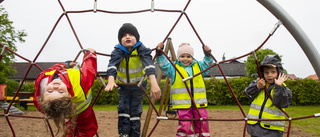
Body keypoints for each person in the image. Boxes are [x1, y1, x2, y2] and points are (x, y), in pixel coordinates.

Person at [104, 23, 161, 137]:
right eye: (124, 35)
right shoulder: (118, 50)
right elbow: (112, 65)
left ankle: (135, 134)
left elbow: (149, 65)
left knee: (135, 110)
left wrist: (154, 84)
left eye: (131, 35)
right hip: (123, 86)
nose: (127, 37)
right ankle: (124, 133)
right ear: (120, 40)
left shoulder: (142, 50)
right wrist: (111, 80)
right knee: (123, 109)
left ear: (137, 38)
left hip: (138, 86)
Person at [33, 48, 98, 137]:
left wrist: (65, 64)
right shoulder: (79, 85)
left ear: (44, 94)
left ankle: (69, 132)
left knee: (70, 124)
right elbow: (89, 70)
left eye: (50, 91)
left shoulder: (43, 81)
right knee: (87, 128)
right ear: (69, 96)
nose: (55, 87)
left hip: (65, 111)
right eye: (60, 91)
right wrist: (90, 55)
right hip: (83, 109)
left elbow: (53, 69)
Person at [156, 42, 213, 137]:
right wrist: (160, 53)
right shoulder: (174, 68)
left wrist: (207, 54)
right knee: (185, 125)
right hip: (183, 104)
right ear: (178, 57)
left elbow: (208, 63)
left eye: (188, 56)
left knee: (202, 122)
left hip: (199, 103)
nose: (185, 59)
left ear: (192, 57)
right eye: (182, 56)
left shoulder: (198, 66)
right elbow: (163, 65)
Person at [243, 54, 292, 137]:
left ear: (279, 72)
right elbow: (247, 93)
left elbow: (281, 103)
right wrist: (257, 87)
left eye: (273, 72)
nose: (269, 75)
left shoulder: (283, 88)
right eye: (266, 72)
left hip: (272, 130)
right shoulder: (259, 83)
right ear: (262, 73)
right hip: (255, 127)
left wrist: (279, 87)